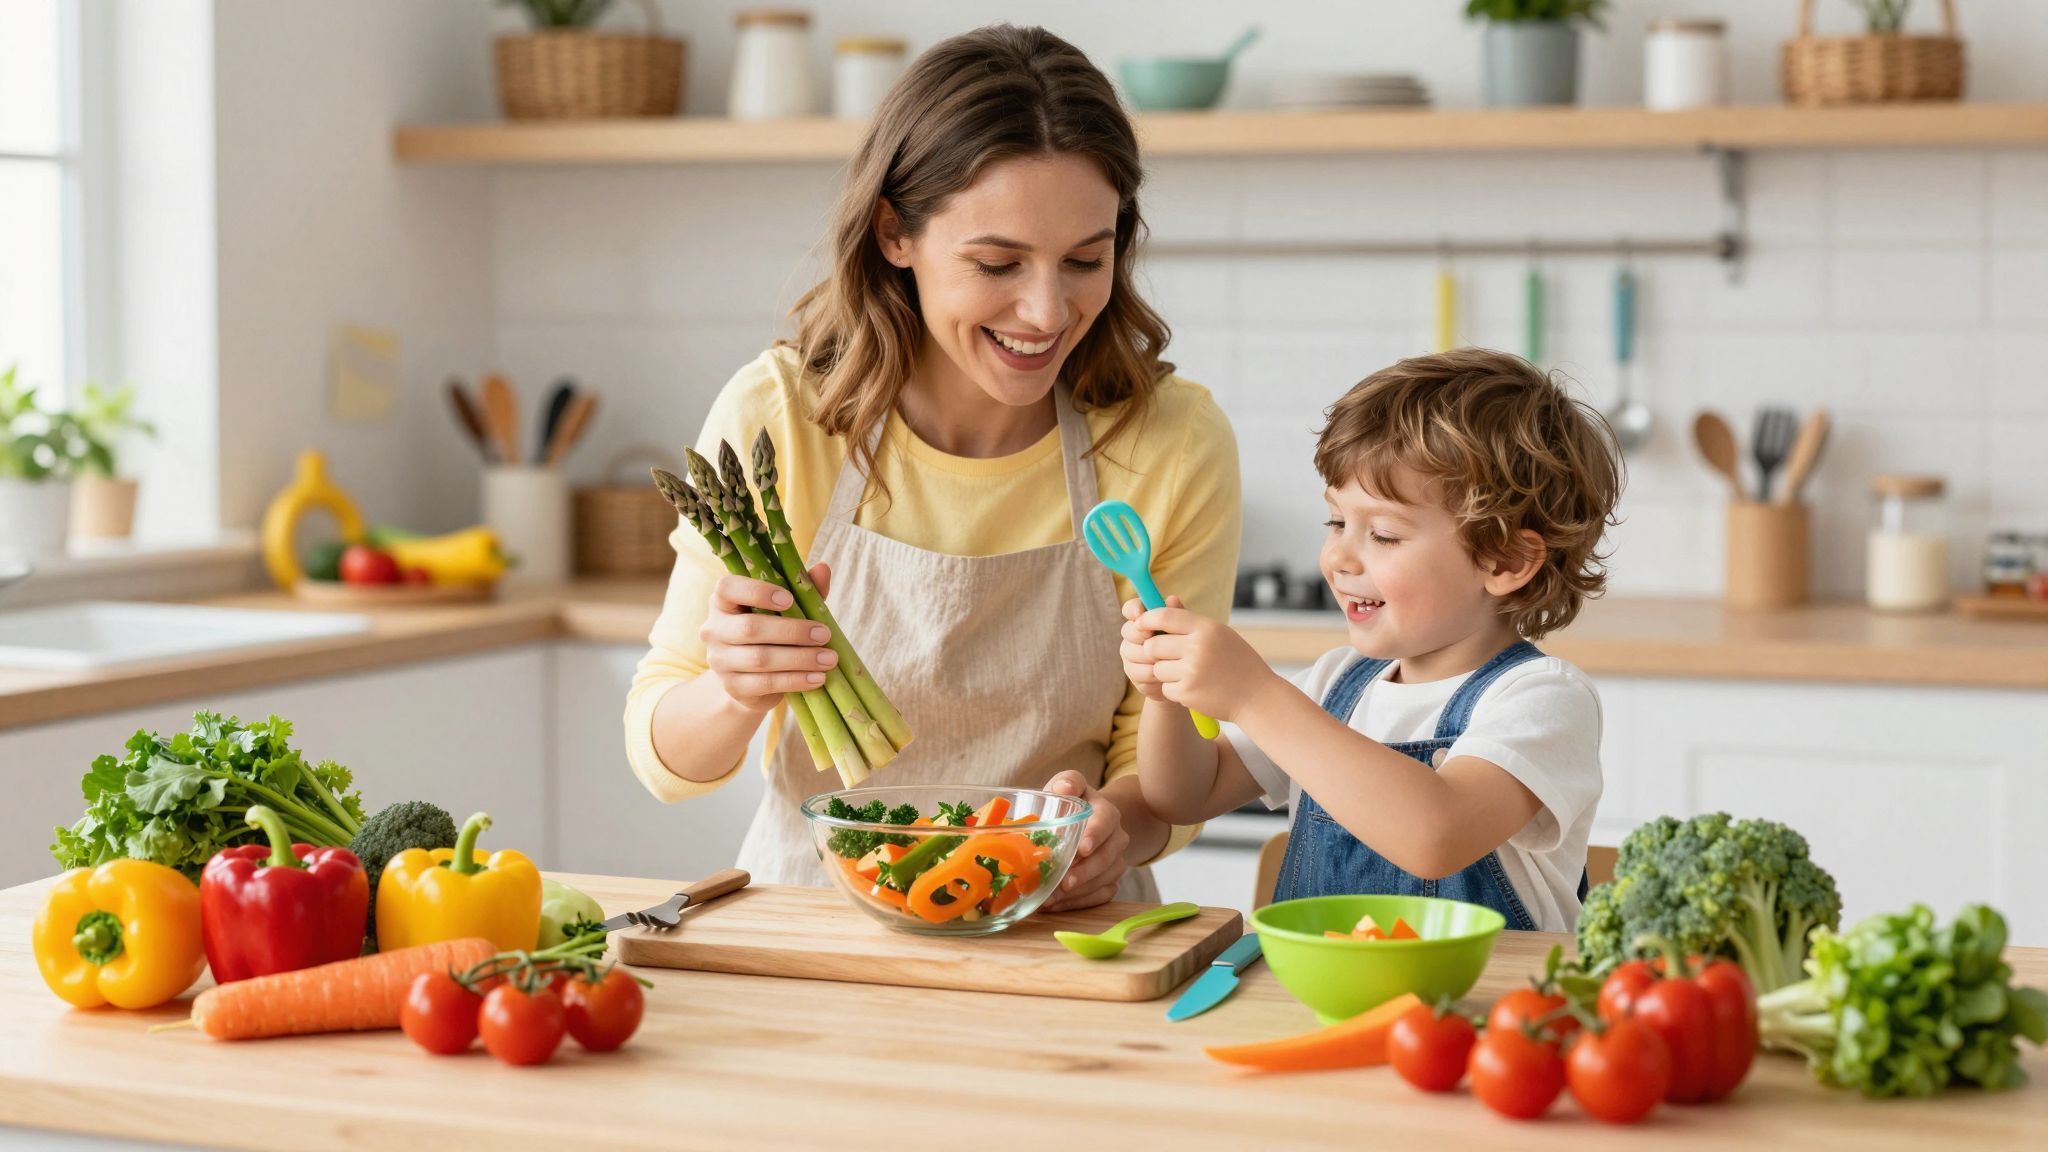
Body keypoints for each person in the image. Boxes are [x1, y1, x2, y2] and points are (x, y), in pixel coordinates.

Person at [625, 25, 1240, 908]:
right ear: (894, 233)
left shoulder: (1172, 442)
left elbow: (1165, 765)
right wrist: (733, 690)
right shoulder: (783, 419)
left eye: (1085, 260)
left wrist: (1116, 827)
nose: (1045, 309)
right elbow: (663, 760)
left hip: (1059, 928)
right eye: (997, 262)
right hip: (813, 922)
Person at [1122, 348, 1621, 931]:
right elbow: (1182, 795)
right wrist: (1165, 698)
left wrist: (1254, 696)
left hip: (1482, 1010)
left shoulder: (1540, 700)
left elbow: (1436, 833)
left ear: (1506, 559)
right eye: (1336, 522)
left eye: (1382, 534)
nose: (1337, 557)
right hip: (1323, 999)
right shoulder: (1337, 683)